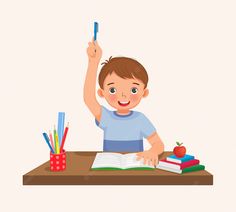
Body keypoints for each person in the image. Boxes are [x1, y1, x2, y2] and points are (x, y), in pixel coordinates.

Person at [84, 38, 164, 166]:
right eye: (113, 89)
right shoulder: (106, 117)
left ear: (144, 92)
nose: (123, 95)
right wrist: (93, 62)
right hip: (110, 169)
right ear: (101, 93)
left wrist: (152, 152)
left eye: (133, 89)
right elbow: (89, 99)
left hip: (136, 168)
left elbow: (158, 144)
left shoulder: (140, 119)